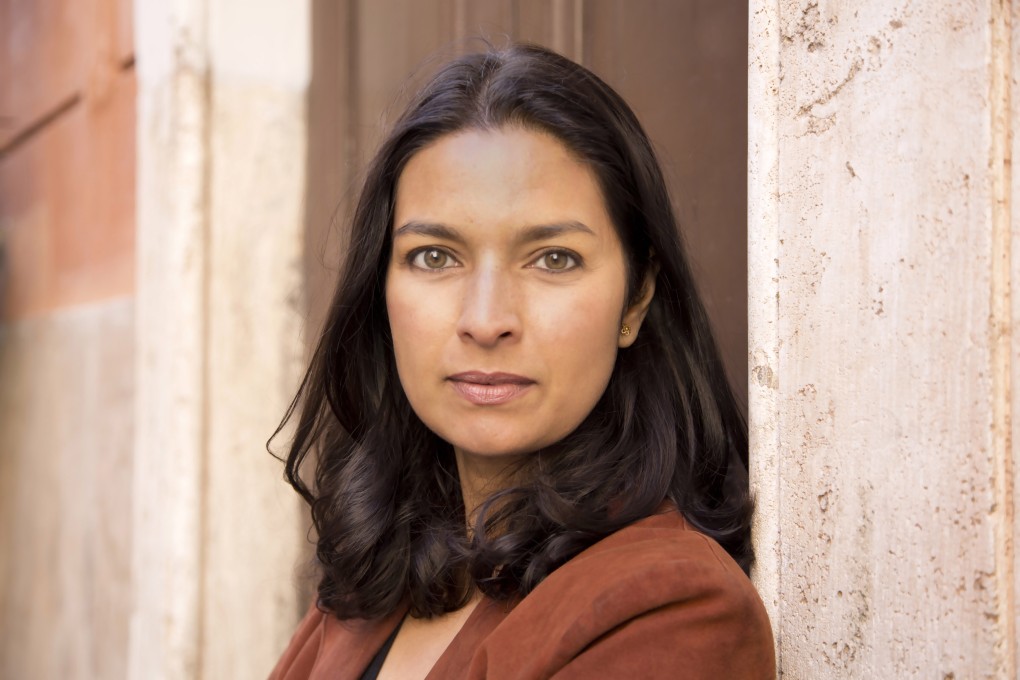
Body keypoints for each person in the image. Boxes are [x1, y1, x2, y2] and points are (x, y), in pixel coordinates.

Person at [269, 42, 774, 679]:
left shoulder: (673, 608)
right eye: (434, 256)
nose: (486, 321)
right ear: (380, 291)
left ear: (636, 298)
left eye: (554, 259)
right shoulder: (369, 588)